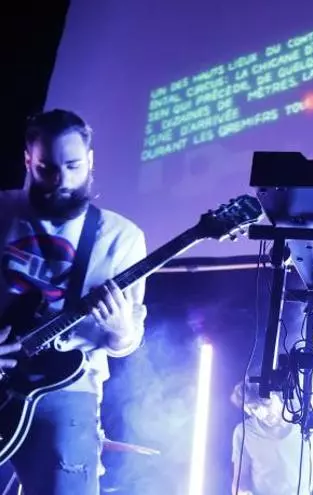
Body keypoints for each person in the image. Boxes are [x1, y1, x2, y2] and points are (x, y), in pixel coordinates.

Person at [0, 109, 147, 494]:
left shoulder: (121, 237)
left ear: (90, 161)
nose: (61, 181)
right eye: (46, 168)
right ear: (28, 161)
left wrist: (120, 329)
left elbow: (126, 342)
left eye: (73, 166)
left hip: (69, 389)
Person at [230, 380, 313, 495]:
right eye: (255, 408)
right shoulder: (243, 432)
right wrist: (243, 492)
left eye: (267, 403)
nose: (264, 413)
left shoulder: (305, 422)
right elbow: (240, 479)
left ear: (278, 394)